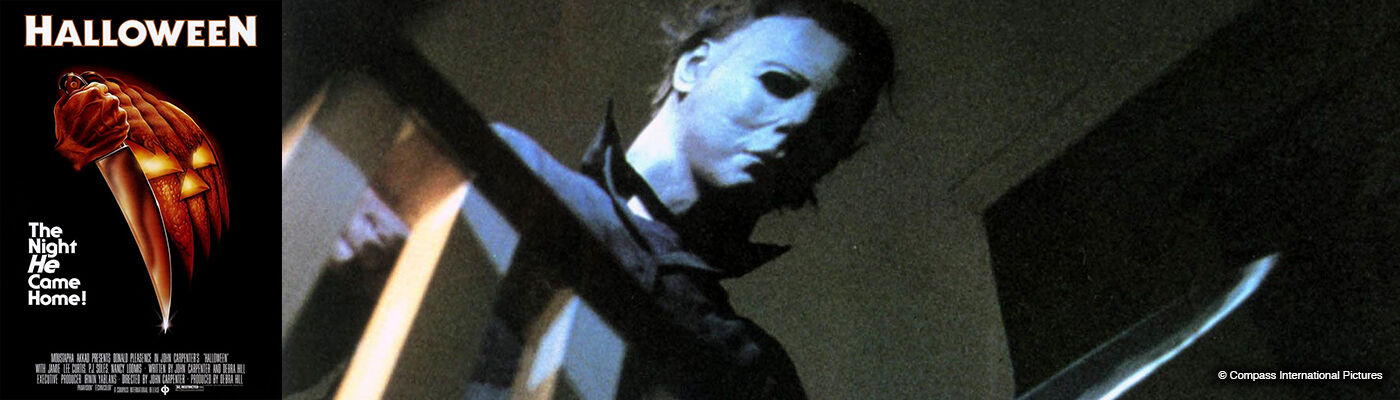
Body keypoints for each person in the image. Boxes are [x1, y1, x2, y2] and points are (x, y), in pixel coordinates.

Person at [465, 0, 895, 399]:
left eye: (829, 126)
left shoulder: (757, 373)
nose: (800, 121)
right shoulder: (512, 170)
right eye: (779, 83)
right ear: (692, 66)